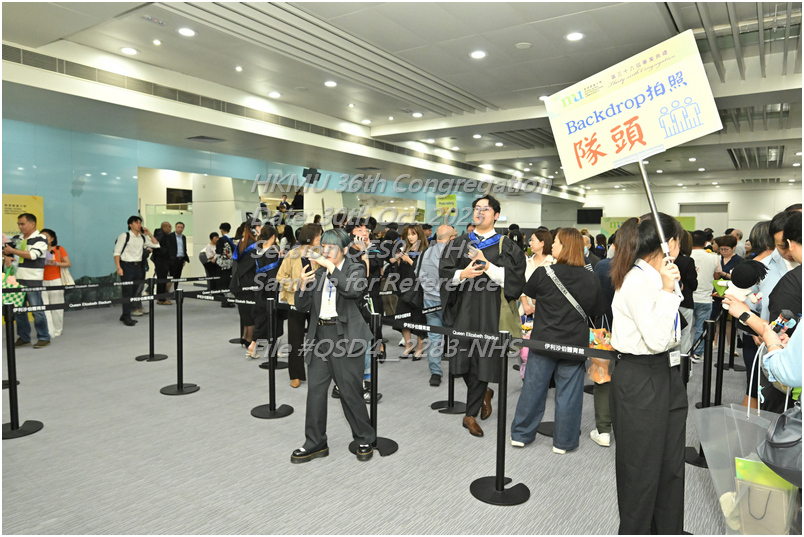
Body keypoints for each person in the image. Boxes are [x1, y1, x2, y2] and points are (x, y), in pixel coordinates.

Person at [609, 212, 686, 535]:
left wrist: (669, 287)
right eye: (679, 241)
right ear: (670, 243)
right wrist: (668, 292)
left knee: (670, 467)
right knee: (640, 472)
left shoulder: (659, 277)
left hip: (667, 372)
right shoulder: (636, 281)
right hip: (640, 377)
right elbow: (655, 339)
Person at [510, 228, 604, 453]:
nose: (552, 245)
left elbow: (529, 293)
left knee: (533, 389)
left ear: (566, 247)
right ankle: (564, 441)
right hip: (574, 344)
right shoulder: (591, 278)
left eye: (557, 242)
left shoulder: (544, 273)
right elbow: (597, 311)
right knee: (569, 394)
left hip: (543, 342)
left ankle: (521, 434)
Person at [439, 195, 527, 437]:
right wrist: (463, 274)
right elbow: (444, 274)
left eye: (485, 209)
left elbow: (515, 280)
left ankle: (470, 414)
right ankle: (484, 393)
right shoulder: (459, 243)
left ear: (496, 215)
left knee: (484, 359)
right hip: (464, 308)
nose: (480, 212)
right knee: (462, 360)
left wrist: (487, 265)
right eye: (477, 208)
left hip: (491, 311)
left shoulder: (507, 246)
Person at [291, 228, 376, 463]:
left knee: (350, 391)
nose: (326, 251)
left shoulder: (356, 268)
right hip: (319, 336)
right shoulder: (317, 273)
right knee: (315, 392)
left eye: (332, 248)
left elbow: (352, 290)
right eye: (324, 247)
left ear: (345, 250)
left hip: (345, 337)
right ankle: (315, 442)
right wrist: (302, 286)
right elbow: (302, 307)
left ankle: (364, 437)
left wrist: (329, 266)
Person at [277, 224, 321, 387]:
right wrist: (296, 285)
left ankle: (319, 372)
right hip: (296, 301)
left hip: (316, 301)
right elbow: (280, 277)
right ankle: (296, 375)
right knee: (295, 339)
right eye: (318, 236)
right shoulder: (292, 255)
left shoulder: (320, 254)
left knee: (318, 338)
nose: (320, 239)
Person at [3, 213, 51, 348]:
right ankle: (24, 337)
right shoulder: (16, 238)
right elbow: (5, 250)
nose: (20, 226)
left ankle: (44, 337)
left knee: (37, 310)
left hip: (32, 279)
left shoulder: (41, 238)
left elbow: (33, 255)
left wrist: (13, 251)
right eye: (18, 224)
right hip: (15, 279)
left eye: (22, 224)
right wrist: (6, 256)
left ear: (32, 224)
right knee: (19, 310)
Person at [419, 224, 457, 387]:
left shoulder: (425, 252)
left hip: (429, 301)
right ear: (451, 238)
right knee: (456, 336)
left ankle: (435, 372)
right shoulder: (454, 254)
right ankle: (457, 368)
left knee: (434, 338)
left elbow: (418, 274)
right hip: (449, 302)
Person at [113, 215, 160, 327]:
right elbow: (116, 253)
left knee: (135, 291)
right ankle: (127, 316)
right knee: (127, 291)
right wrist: (118, 267)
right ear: (130, 225)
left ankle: (125, 314)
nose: (139, 225)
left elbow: (156, 245)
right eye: (136, 222)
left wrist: (149, 234)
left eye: (140, 222)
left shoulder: (142, 238)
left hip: (138, 267)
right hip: (126, 266)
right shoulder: (125, 236)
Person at [390, 224, 428, 359]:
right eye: (408, 234)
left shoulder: (425, 251)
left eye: (413, 234)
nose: (410, 237)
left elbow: (424, 271)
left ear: (419, 235)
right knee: (402, 317)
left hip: (418, 289)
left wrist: (409, 260)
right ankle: (408, 346)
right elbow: (398, 270)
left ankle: (420, 348)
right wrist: (398, 260)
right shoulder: (405, 249)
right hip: (404, 288)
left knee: (418, 320)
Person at [247, 225, 284, 360]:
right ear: (273, 237)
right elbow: (276, 273)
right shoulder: (273, 252)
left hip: (260, 287)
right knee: (275, 319)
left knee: (262, 318)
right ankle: (272, 349)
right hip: (271, 289)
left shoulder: (257, 250)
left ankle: (254, 345)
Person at [689, 230, 720, 362]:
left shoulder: (686, 255)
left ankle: (682, 353)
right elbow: (717, 276)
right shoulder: (714, 257)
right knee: (701, 328)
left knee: (684, 329)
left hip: (687, 298)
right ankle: (696, 353)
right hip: (706, 297)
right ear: (706, 242)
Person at [231, 220, 259, 347]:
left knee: (244, 310)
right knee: (251, 311)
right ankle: (250, 339)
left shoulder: (242, 241)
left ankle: (245, 336)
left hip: (239, 281)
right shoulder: (253, 245)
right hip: (249, 281)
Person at [40, 228, 70, 338]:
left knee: (57, 307)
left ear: (52, 238)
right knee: (44, 308)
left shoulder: (59, 249)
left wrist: (56, 263)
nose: (43, 239)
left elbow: (68, 263)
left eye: (45, 237)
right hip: (41, 281)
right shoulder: (38, 250)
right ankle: (49, 330)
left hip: (56, 280)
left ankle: (58, 329)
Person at [519, 229, 555, 318]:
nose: (530, 243)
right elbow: (521, 285)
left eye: (532, 240)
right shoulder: (527, 262)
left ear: (542, 243)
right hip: (525, 313)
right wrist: (525, 305)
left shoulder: (553, 263)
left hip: (547, 314)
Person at [674, 231, 698, 360]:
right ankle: (683, 366)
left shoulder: (664, 260)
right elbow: (693, 285)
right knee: (684, 336)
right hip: (685, 302)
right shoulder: (688, 261)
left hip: (670, 302)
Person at [216, 222, 236, 309]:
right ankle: (232, 299)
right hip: (233, 263)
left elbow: (218, 252)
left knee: (224, 282)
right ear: (229, 230)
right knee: (231, 281)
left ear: (221, 230)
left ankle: (226, 300)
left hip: (223, 264)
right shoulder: (233, 240)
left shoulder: (221, 240)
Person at [153, 222, 172, 305]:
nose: (170, 228)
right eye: (169, 227)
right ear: (164, 227)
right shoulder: (160, 235)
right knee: (162, 280)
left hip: (162, 260)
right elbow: (157, 247)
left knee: (162, 279)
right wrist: (167, 252)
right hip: (161, 261)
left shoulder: (163, 235)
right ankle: (161, 299)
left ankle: (161, 298)